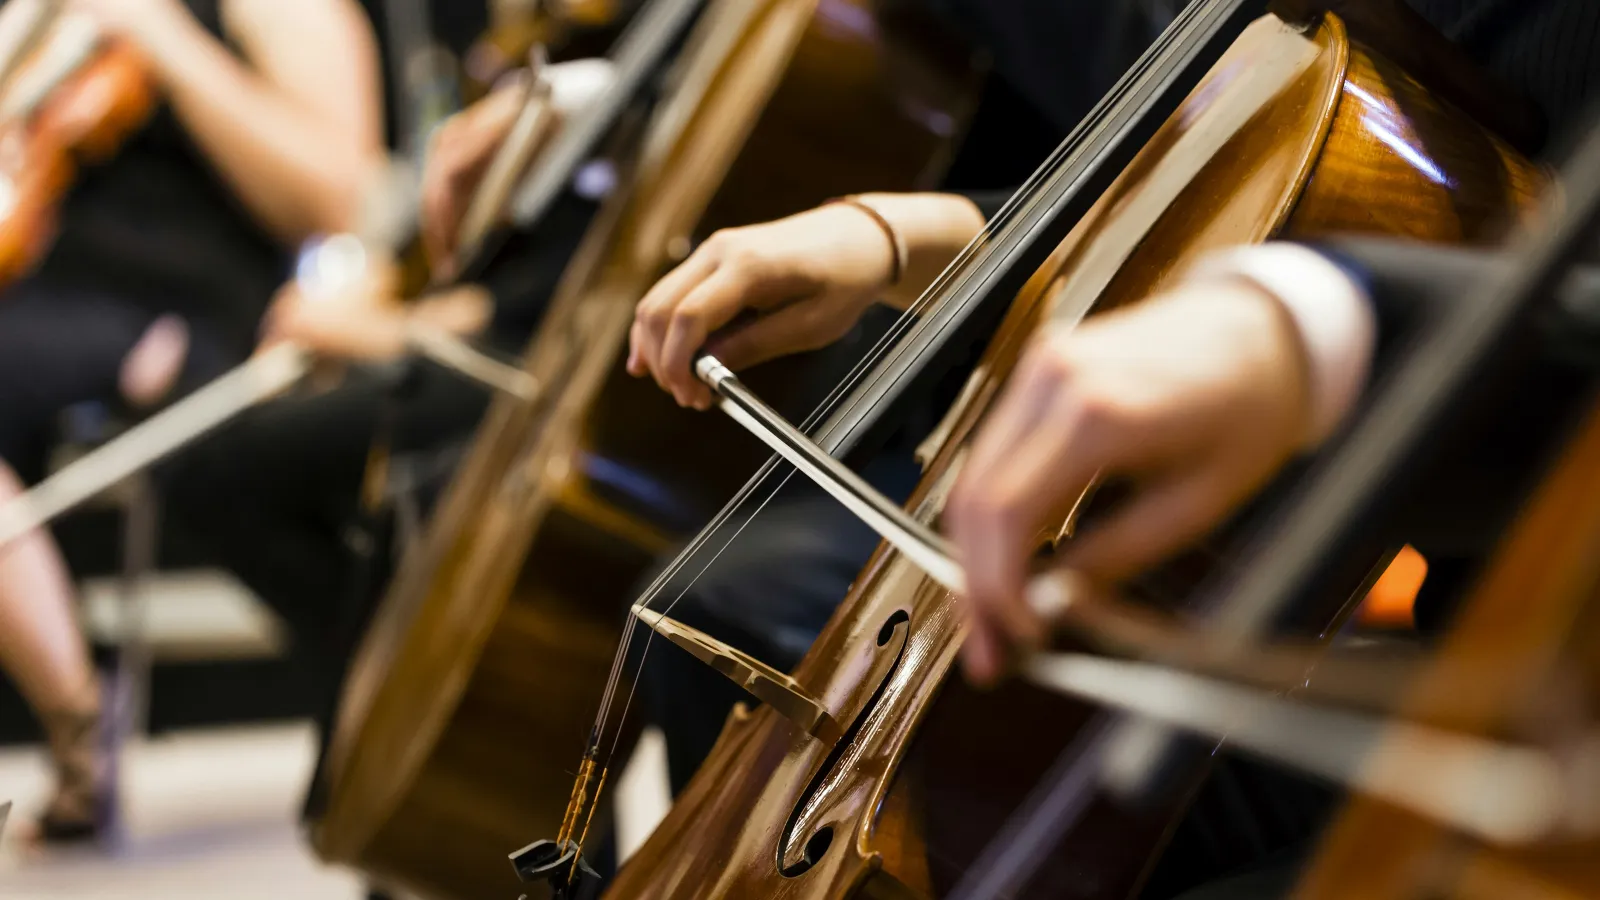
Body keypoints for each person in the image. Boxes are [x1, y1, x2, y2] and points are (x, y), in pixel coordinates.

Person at [624, 0, 1598, 894]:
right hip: (1410, 636)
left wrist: (1326, 326)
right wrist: (925, 236)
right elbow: (1219, 172)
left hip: (1516, 688)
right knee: (735, 620)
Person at [0, 0, 383, 844]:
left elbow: (338, 195)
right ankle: (77, 713)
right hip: (36, 300)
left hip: (191, 319)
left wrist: (166, 38)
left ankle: (79, 723)